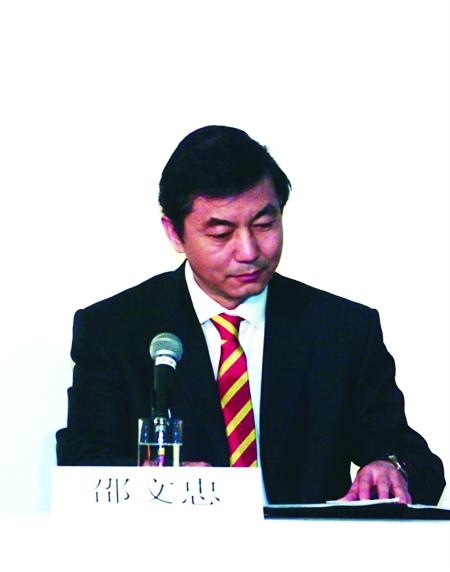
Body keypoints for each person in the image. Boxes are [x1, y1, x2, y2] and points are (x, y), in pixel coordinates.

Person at [56, 125, 445, 505]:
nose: (249, 251)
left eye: (264, 224)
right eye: (221, 234)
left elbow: (419, 463)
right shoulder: (115, 330)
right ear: (174, 234)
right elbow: (82, 463)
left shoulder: (341, 330)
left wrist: (393, 468)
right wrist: (154, 486)